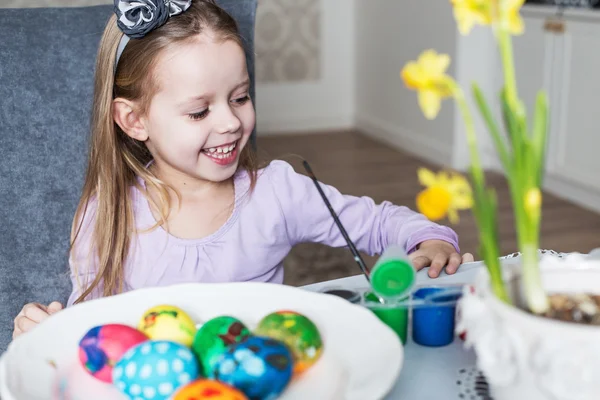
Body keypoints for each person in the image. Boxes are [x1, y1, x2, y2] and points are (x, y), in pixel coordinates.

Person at [12, 0, 474, 340]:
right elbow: (88, 330)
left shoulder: (277, 192)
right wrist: (51, 329)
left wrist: (429, 240)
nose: (231, 122)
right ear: (134, 120)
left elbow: (376, 223)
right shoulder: (107, 214)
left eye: (240, 97)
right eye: (199, 112)